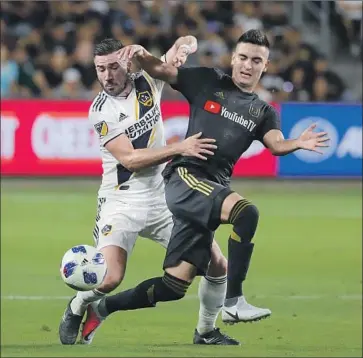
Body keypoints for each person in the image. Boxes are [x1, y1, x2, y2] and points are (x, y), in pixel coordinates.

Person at [81, 29, 329, 341]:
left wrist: (298, 142)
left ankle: (106, 310)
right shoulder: (207, 81)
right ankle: (234, 301)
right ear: (233, 59)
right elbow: (162, 68)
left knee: (174, 286)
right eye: (242, 57)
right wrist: (142, 54)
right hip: (185, 177)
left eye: (256, 60)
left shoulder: (264, 112)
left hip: (212, 188)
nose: (247, 66)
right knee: (246, 213)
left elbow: (276, 145)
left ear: (265, 66)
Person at [58, 36, 242, 347]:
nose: (107, 76)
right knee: (110, 278)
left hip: (162, 199)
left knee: (217, 263)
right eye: (100, 69)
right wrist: (179, 148)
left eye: (113, 67)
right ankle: (77, 306)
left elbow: (169, 61)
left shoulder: (145, 82)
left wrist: (186, 43)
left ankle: (206, 331)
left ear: (126, 65)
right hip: (121, 201)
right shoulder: (101, 110)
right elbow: (129, 159)